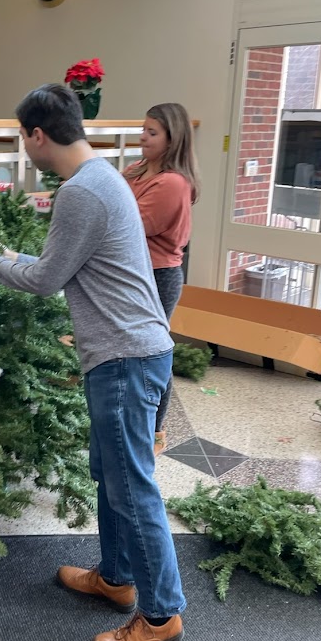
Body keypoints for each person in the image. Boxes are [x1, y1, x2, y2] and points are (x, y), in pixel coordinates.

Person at [0, 83, 186, 641]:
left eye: (21, 137)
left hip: (126, 356)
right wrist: (9, 260)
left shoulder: (82, 192)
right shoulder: (102, 177)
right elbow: (61, 266)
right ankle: (116, 577)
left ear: (36, 134)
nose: (23, 147)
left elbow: (44, 280)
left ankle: (160, 615)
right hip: (128, 352)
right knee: (112, 474)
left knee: (133, 489)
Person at [124, 103, 201, 455]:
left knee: (153, 354)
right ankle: (130, 420)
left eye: (152, 132)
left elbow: (127, 226)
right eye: (144, 129)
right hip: (134, 272)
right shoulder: (137, 170)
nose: (142, 137)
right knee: (130, 351)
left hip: (158, 276)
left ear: (173, 139)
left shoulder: (172, 183)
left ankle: (156, 431)